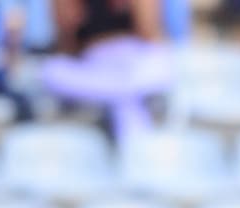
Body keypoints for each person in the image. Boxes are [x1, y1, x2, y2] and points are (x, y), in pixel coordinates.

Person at [38, 0, 174, 140]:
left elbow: (150, 34)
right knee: (52, 71)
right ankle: (124, 104)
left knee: (162, 64)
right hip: (95, 69)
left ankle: (120, 102)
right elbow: (67, 47)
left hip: (133, 62)